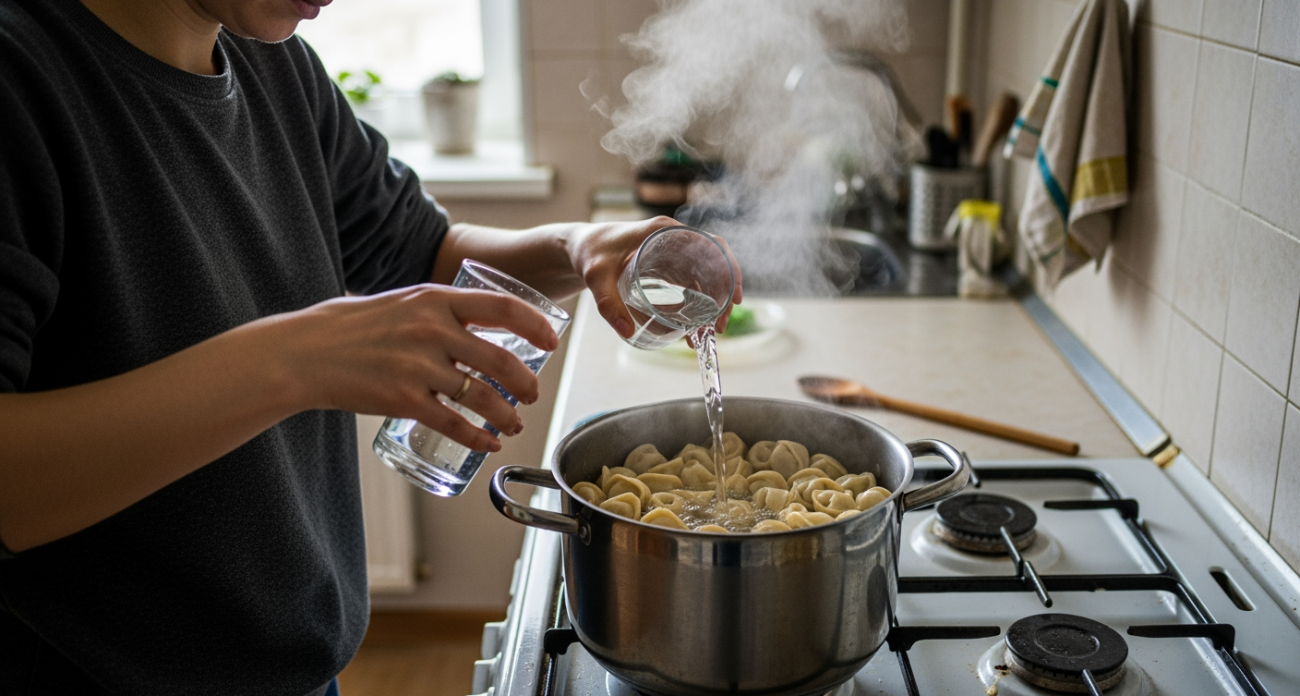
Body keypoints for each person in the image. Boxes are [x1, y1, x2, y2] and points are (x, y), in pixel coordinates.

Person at [0, 0, 741, 693]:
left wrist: (575, 246)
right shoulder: (22, 78)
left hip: (288, 662)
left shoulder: (271, 59)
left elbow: (421, 248)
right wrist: (295, 360)